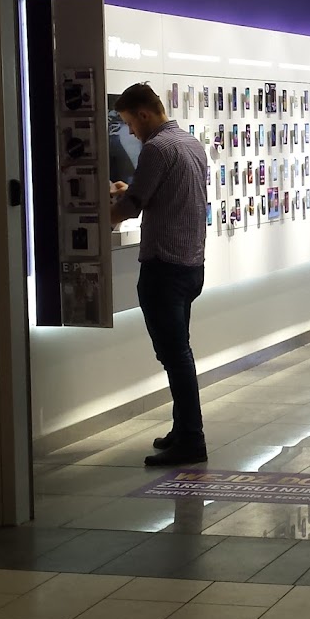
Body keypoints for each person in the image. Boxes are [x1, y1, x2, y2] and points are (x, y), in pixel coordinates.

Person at [110, 82, 209, 467]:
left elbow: (133, 206)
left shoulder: (156, 148)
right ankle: (182, 429)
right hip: (190, 265)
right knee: (178, 351)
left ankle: (192, 439)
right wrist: (130, 191)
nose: (130, 131)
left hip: (164, 267)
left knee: (175, 356)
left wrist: (95, 220)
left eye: (129, 123)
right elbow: (160, 193)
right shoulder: (189, 143)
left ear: (144, 114)